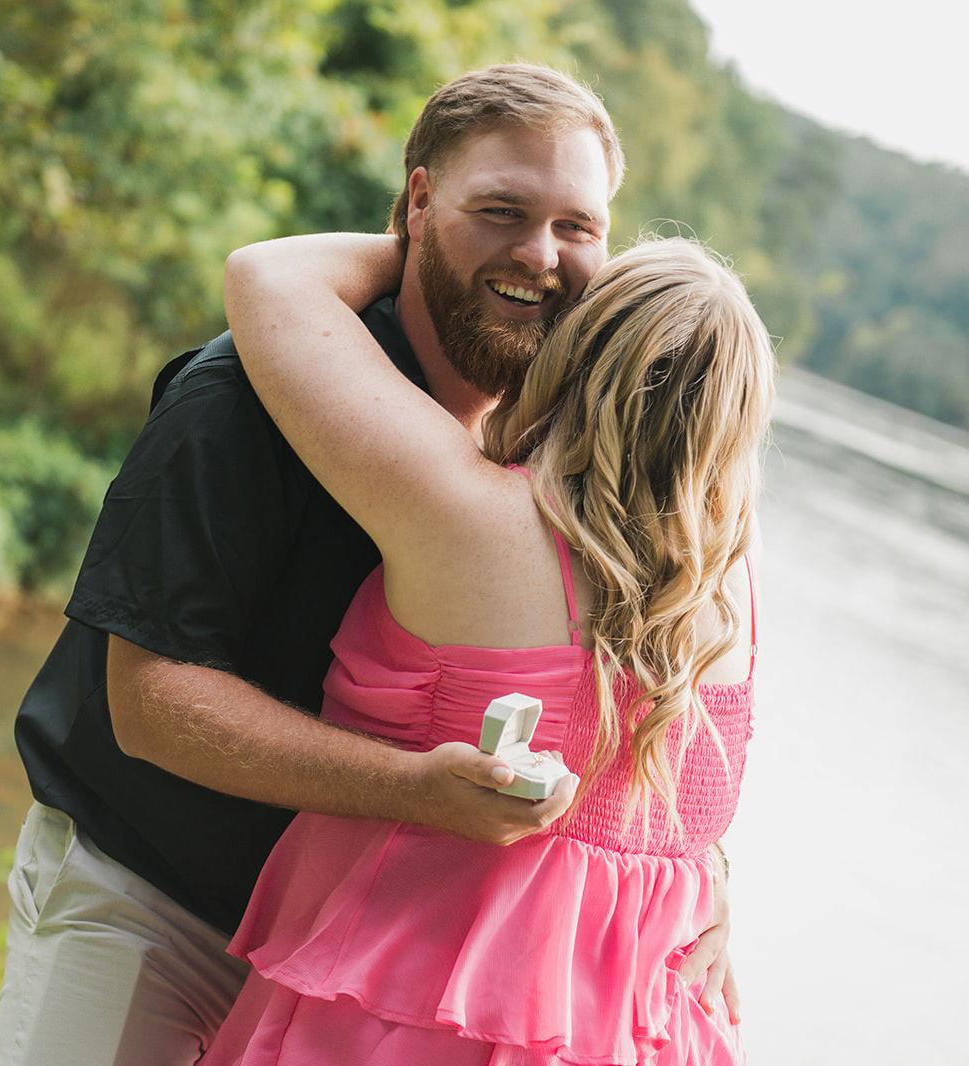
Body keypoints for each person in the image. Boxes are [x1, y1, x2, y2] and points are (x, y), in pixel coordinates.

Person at [0, 64, 738, 1066]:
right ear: (417, 200)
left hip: (331, 946)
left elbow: (631, 698)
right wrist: (416, 789)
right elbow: (150, 704)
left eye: (576, 227)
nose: (538, 254)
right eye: (500, 210)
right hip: (150, 901)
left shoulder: (550, 456)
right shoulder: (238, 398)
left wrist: (700, 869)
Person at [201, 220, 773, 1064]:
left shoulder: (470, 517)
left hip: (397, 1018)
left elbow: (268, 276)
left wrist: (458, 241)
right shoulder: (731, 592)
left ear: (574, 356)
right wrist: (708, 868)